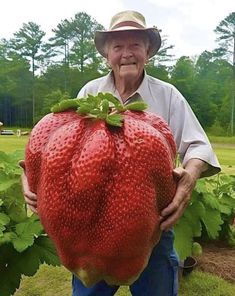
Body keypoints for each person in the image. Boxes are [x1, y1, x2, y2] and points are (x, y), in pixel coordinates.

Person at [20, 10, 221, 296]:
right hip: (90, 227)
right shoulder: (90, 93)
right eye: (118, 46)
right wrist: (31, 173)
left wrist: (190, 176)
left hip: (152, 225)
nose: (127, 53)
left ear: (147, 52)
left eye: (135, 45)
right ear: (106, 55)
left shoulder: (168, 95)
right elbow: (59, 142)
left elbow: (198, 145)